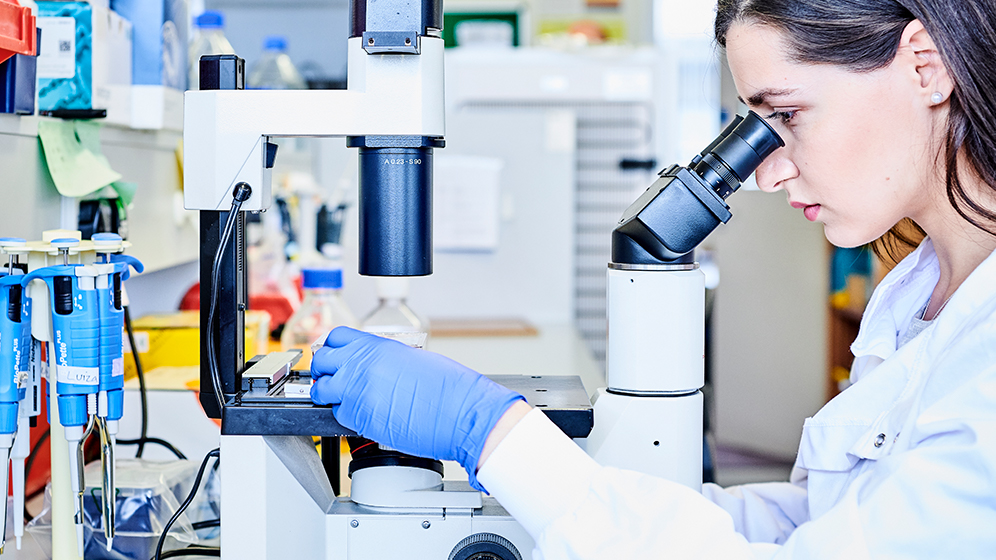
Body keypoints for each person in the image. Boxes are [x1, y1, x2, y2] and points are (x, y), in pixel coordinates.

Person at [311, 0, 996, 556]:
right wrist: (580, 494)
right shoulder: (915, 296)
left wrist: (494, 434)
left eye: (785, 115)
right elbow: (826, 521)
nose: (765, 171)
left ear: (924, 65)